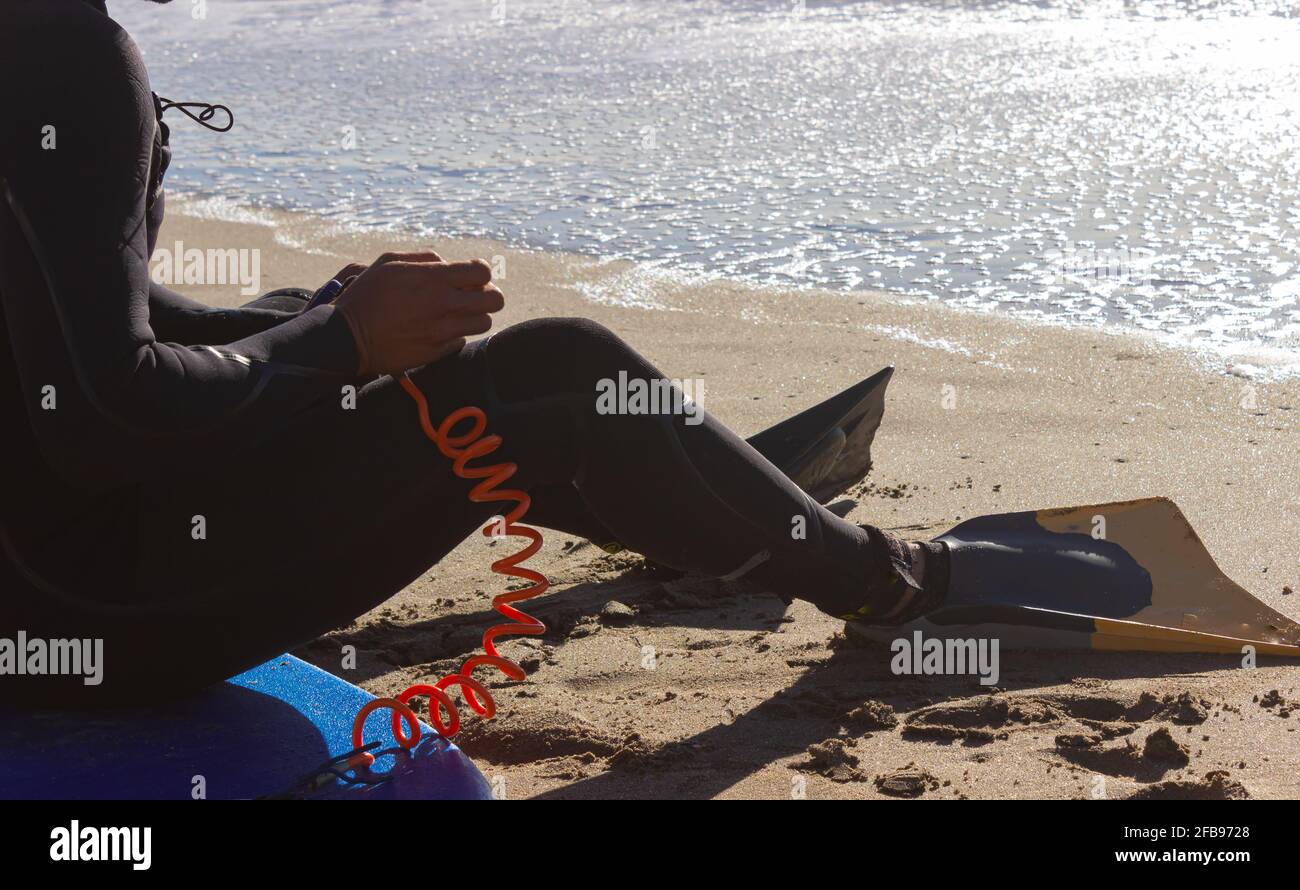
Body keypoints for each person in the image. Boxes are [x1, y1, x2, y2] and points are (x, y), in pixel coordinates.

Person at [0, 0, 946, 706]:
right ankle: (894, 583)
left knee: (305, 324)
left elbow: (72, 323)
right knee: (559, 378)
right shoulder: (59, 53)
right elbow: (101, 417)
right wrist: (346, 337)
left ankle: (675, 496)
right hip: (87, 612)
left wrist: (308, 323)